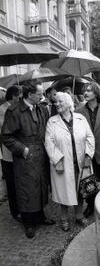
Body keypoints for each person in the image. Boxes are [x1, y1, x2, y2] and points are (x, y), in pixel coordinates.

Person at [1, 82, 54, 239]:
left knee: (41, 186)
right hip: (25, 157)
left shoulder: (42, 108)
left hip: (41, 154)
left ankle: (40, 216)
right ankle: (28, 222)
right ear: (29, 95)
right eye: (39, 94)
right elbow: (5, 136)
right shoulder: (14, 110)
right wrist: (22, 150)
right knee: (27, 189)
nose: (42, 96)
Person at [45, 92, 95, 231]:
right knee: (64, 192)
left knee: (80, 191)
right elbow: (49, 143)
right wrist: (57, 160)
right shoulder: (52, 121)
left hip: (80, 162)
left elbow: (90, 138)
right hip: (64, 163)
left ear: (68, 103)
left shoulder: (80, 118)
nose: (57, 104)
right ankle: (64, 218)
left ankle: (79, 216)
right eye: (56, 102)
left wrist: (88, 156)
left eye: (60, 102)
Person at [76, 82, 100, 217]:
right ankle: (90, 206)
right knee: (88, 182)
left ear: (96, 93)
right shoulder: (78, 111)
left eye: (89, 91)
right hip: (86, 153)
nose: (85, 93)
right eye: (84, 91)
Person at [0, 85, 22, 222]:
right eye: (19, 95)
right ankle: (15, 211)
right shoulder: (2, 109)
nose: (20, 98)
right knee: (11, 183)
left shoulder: (19, 107)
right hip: (8, 152)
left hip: (20, 151)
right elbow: (4, 130)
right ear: (13, 96)